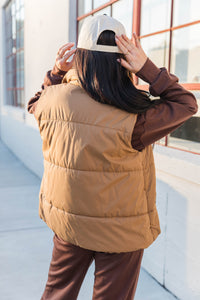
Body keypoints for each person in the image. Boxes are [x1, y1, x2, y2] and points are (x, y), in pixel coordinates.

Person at [27, 15, 198, 300]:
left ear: (79, 55)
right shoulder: (135, 116)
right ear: (123, 61)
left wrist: (56, 72)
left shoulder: (52, 100)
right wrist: (148, 70)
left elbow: (34, 102)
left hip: (70, 224)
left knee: (57, 294)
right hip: (120, 233)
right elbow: (185, 103)